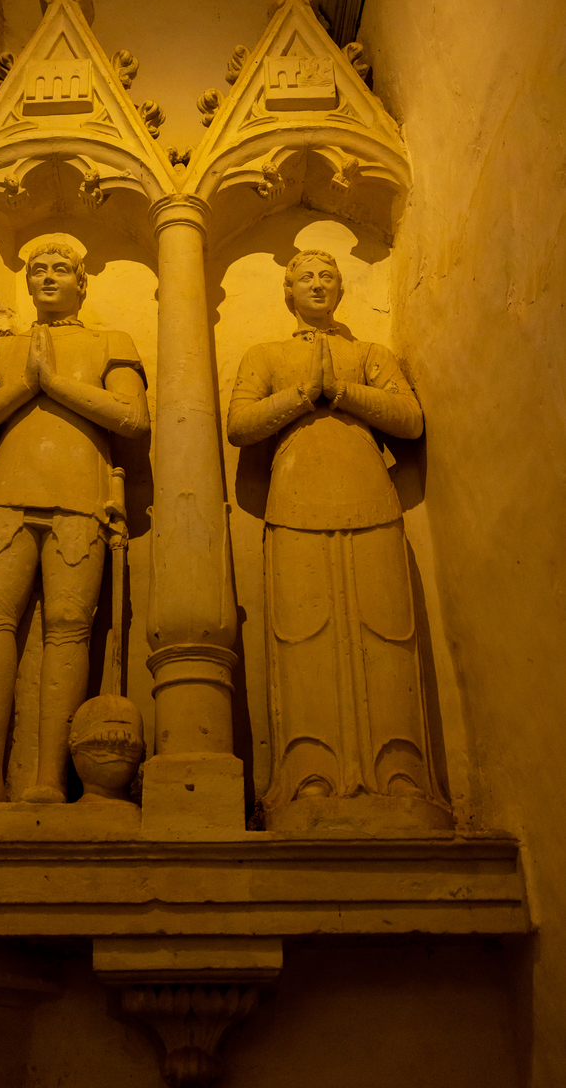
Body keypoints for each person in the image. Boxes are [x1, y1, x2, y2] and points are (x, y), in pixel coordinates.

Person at [0, 242, 149, 803]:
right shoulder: (0, 350)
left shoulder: (110, 342)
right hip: (6, 492)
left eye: (60, 270)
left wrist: (54, 383)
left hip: (81, 494)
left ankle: (49, 779)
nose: (48, 278)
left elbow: (133, 417)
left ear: (81, 283)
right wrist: (24, 384)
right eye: (37, 270)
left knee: (68, 624)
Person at [227, 249, 447, 824]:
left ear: (341, 289)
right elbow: (240, 425)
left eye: (328, 276)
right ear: (289, 292)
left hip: (371, 499)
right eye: (306, 277)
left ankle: (400, 774)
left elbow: (410, 419)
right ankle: (310, 775)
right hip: (294, 503)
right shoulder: (266, 356)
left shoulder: (369, 355)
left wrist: (343, 392)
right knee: (303, 640)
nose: (318, 284)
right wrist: (304, 395)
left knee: (385, 633)